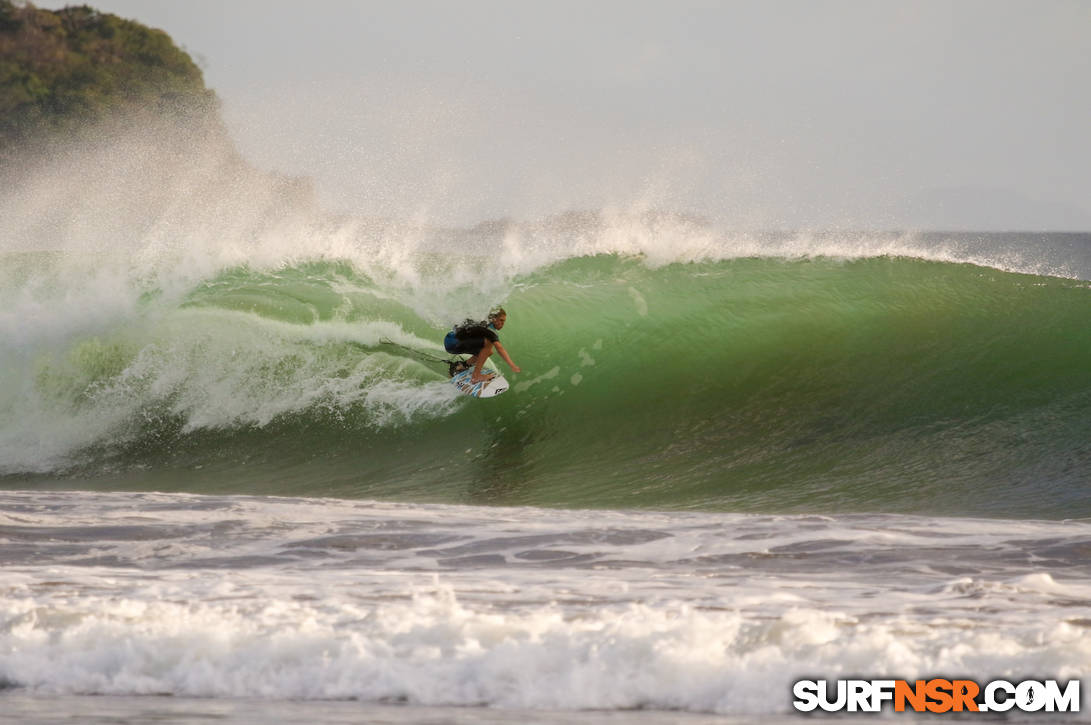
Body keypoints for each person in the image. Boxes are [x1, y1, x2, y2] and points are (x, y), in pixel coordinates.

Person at [444, 307, 521, 383]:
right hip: (453, 344)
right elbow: (499, 348)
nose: (502, 324)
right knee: (488, 344)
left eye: (504, 321)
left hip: (449, 339)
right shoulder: (490, 331)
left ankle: (462, 366)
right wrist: (512, 365)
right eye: (501, 320)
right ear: (493, 319)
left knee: (489, 351)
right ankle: (476, 376)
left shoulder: (483, 321)